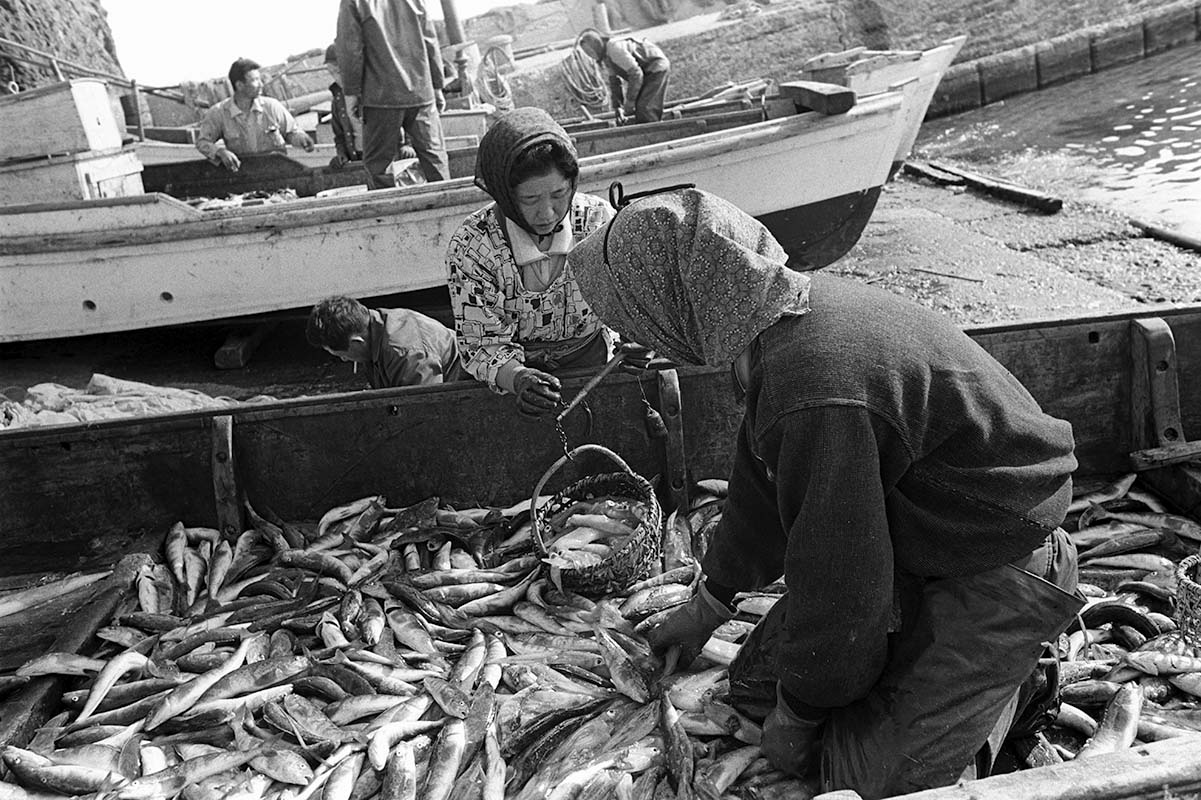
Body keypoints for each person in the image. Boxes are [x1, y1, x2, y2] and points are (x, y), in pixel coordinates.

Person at [568, 188, 1084, 799]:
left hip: (996, 548)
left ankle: (1019, 679)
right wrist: (710, 604)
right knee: (752, 694)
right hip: (919, 531)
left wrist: (802, 715)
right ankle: (931, 672)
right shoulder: (774, 322)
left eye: (633, 316)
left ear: (675, 301)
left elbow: (843, 576)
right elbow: (764, 483)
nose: (636, 338)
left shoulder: (811, 384)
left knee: (863, 780)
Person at [445, 107, 614, 416]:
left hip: (592, 367)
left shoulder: (599, 222)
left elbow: (631, 303)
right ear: (505, 195)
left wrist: (640, 343)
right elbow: (482, 343)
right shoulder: (473, 245)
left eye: (559, 194)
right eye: (530, 200)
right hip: (508, 386)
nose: (547, 213)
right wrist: (518, 378)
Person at [336, 0, 450, 188]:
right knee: (435, 158)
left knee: (378, 167)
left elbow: (350, 48)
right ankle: (450, 210)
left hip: (379, 97)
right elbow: (430, 40)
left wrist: (351, 94)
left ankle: (388, 215)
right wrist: (437, 86)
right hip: (421, 93)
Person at [306, 296, 465, 388]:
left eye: (342, 355)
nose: (344, 359)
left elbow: (425, 414)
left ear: (356, 342)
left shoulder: (407, 353)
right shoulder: (371, 326)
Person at [196, 58, 315, 172]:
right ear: (239, 85)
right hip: (244, 177)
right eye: (255, 80)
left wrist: (301, 139)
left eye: (260, 79)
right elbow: (203, 142)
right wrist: (220, 152)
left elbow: (291, 132)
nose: (261, 84)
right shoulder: (219, 113)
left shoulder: (272, 106)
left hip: (278, 173)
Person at [578, 30, 670, 124]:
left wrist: (630, 100)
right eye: (587, 54)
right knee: (639, 108)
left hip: (655, 66)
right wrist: (618, 107)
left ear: (596, 45)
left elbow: (636, 73)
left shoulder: (614, 49)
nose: (591, 56)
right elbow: (615, 82)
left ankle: (653, 130)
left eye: (590, 51)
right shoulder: (606, 55)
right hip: (645, 71)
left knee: (645, 108)